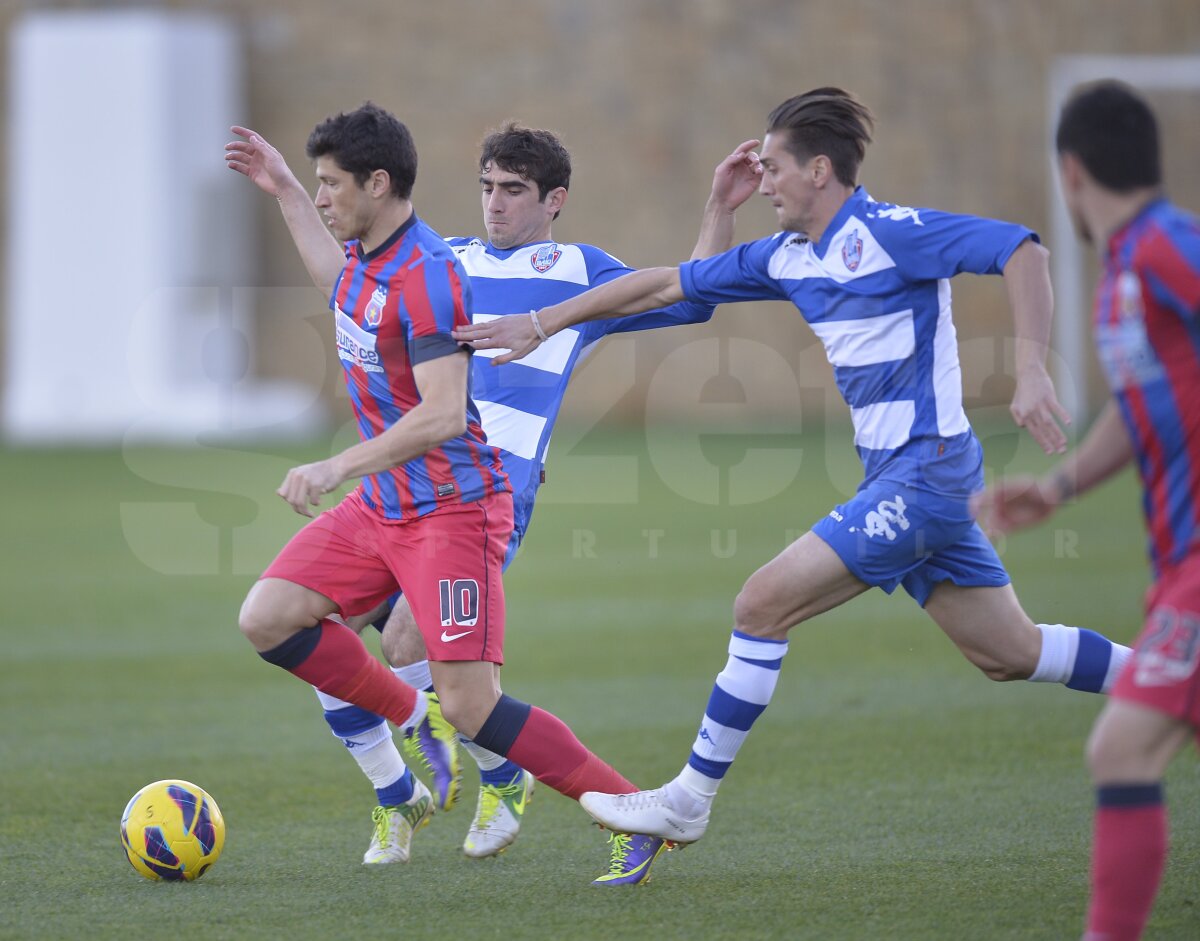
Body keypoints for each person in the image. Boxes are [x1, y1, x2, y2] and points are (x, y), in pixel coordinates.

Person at [454, 87, 1133, 846]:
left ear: (818, 170)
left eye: (773, 167)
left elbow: (1021, 248)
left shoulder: (889, 232)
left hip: (927, 474)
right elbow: (666, 285)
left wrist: (1034, 368)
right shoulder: (785, 256)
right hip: (899, 481)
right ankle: (1178, 680)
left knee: (760, 603)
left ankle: (688, 798)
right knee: (1011, 652)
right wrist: (545, 320)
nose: (764, 180)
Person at [225, 107, 760, 883]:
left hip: (468, 491)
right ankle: (418, 759)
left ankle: (616, 808)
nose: (496, 203)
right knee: (285, 619)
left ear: (553, 201)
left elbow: (693, 289)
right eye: (487, 187)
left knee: (435, 667)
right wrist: (285, 190)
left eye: (514, 189)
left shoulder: (568, 272)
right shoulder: (442, 257)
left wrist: (718, 210)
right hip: (395, 487)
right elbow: (345, 282)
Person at [973, 81, 1200, 941]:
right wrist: (1059, 486)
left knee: (1122, 748)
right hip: (1177, 560)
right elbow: (1151, 405)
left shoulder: (1170, 249)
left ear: (1069, 171)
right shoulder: (1127, 271)